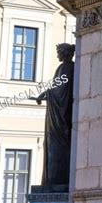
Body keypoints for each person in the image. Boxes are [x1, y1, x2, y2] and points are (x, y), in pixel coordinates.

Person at [34, 43, 75, 186]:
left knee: (55, 150)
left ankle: (55, 181)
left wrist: (44, 95)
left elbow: (58, 91)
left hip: (59, 119)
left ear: (64, 53)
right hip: (64, 116)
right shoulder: (69, 67)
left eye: (58, 52)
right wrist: (44, 94)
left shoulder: (65, 68)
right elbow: (57, 89)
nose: (57, 54)